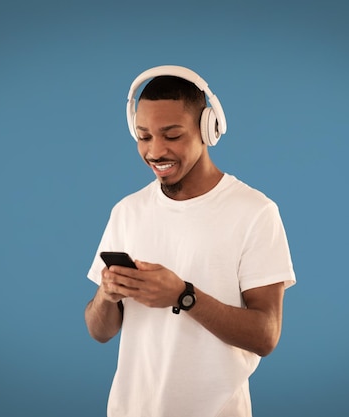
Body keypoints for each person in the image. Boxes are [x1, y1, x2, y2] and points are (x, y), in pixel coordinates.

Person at [84, 65, 296, 417]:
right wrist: (106, 296)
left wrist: (184, 295)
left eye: (171, 135)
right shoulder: (127, 211)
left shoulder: (255, 212)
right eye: (144, 136)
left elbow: (266, 335)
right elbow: (99, 331)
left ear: (208, 129)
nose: (155, 151)